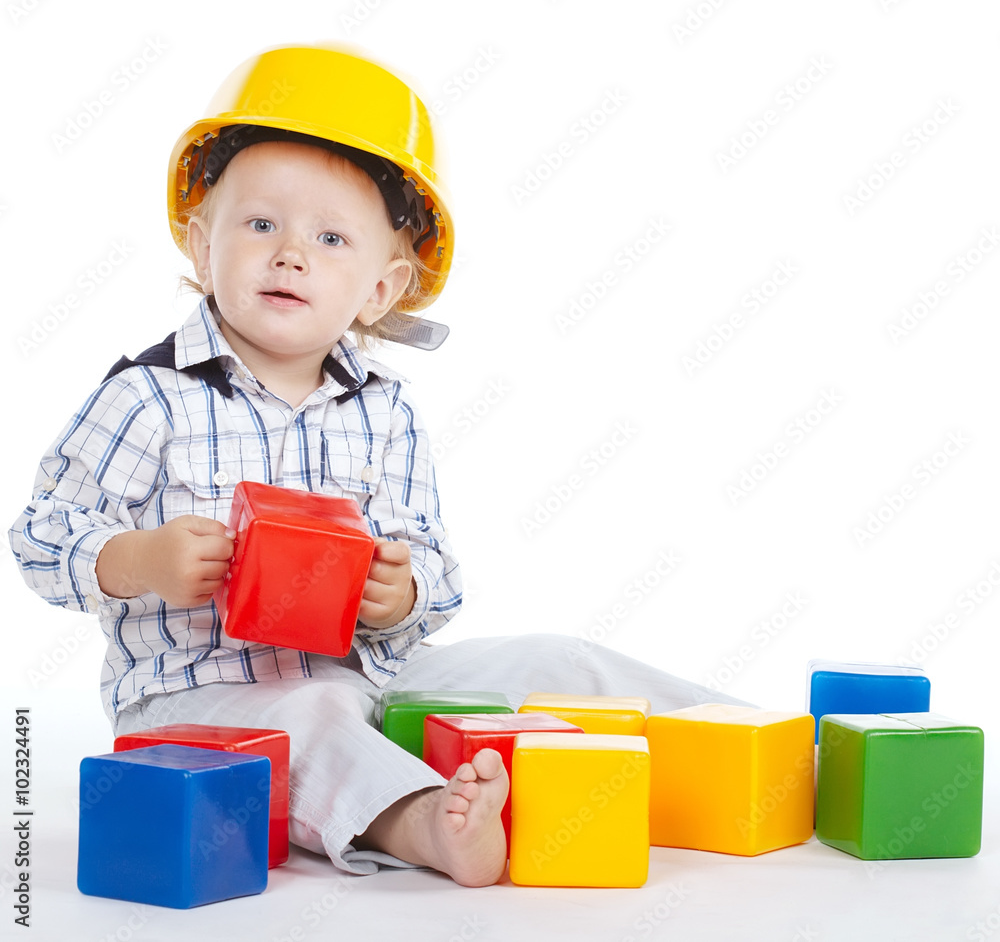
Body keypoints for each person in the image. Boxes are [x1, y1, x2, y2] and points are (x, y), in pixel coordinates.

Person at [9, 43, 748, 887]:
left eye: (330, 238)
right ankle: (425, 822)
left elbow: (431, 566)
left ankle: (748, 740)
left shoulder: (385, 412)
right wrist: (136, 559)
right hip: (194, 701)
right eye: (260, 225)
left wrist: (402, 594)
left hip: (371, 674)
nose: (291, 254)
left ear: (381, 288)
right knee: (316, 714)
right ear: (198, 238)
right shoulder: (148, 397)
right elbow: (40, 536)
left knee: (559, 658)